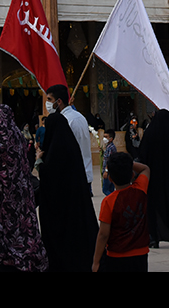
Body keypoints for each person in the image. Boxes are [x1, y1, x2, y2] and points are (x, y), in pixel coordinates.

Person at [0, 105, 48, 272]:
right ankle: (24, 256)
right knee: (19, 225)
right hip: (19, 189)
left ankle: (4, 257)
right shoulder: (18, 134)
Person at [36, 112, 99, 272]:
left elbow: (49, 177)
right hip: (73, 207)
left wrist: (38, 161)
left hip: (58, 213)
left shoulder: (54, 151)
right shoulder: (71, 147)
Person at [93, 153, 150, 272]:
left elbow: (103, 235)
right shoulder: (140, 189)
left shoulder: (109, 201)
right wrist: (128, 164)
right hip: (140, 252)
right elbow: (145, 168)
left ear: (110, 178)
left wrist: (96, 261)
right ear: (132, 174)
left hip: (117, 255)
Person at [136, 109, 169, 248]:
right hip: (168, 179)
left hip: (151, 178)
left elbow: (142, 155)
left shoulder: (149, 135)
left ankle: (153, 237)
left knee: (151, 207)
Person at [45, 84, 93, 191]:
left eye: (49, 99)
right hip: (79, 174)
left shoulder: (68, 120)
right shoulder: (78, 116)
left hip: (74, 176)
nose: (47, 104)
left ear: (59, 101)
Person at [101, 129, 118, 196]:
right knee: (111, 189)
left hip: (109, 171)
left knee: (105, 190)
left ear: (111, 139)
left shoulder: (111, 148)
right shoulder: (108, 147)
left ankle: (113, 198)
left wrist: (106, 171)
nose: (104, 138)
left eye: (106, 137)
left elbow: (110, 159)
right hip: (111, 171)